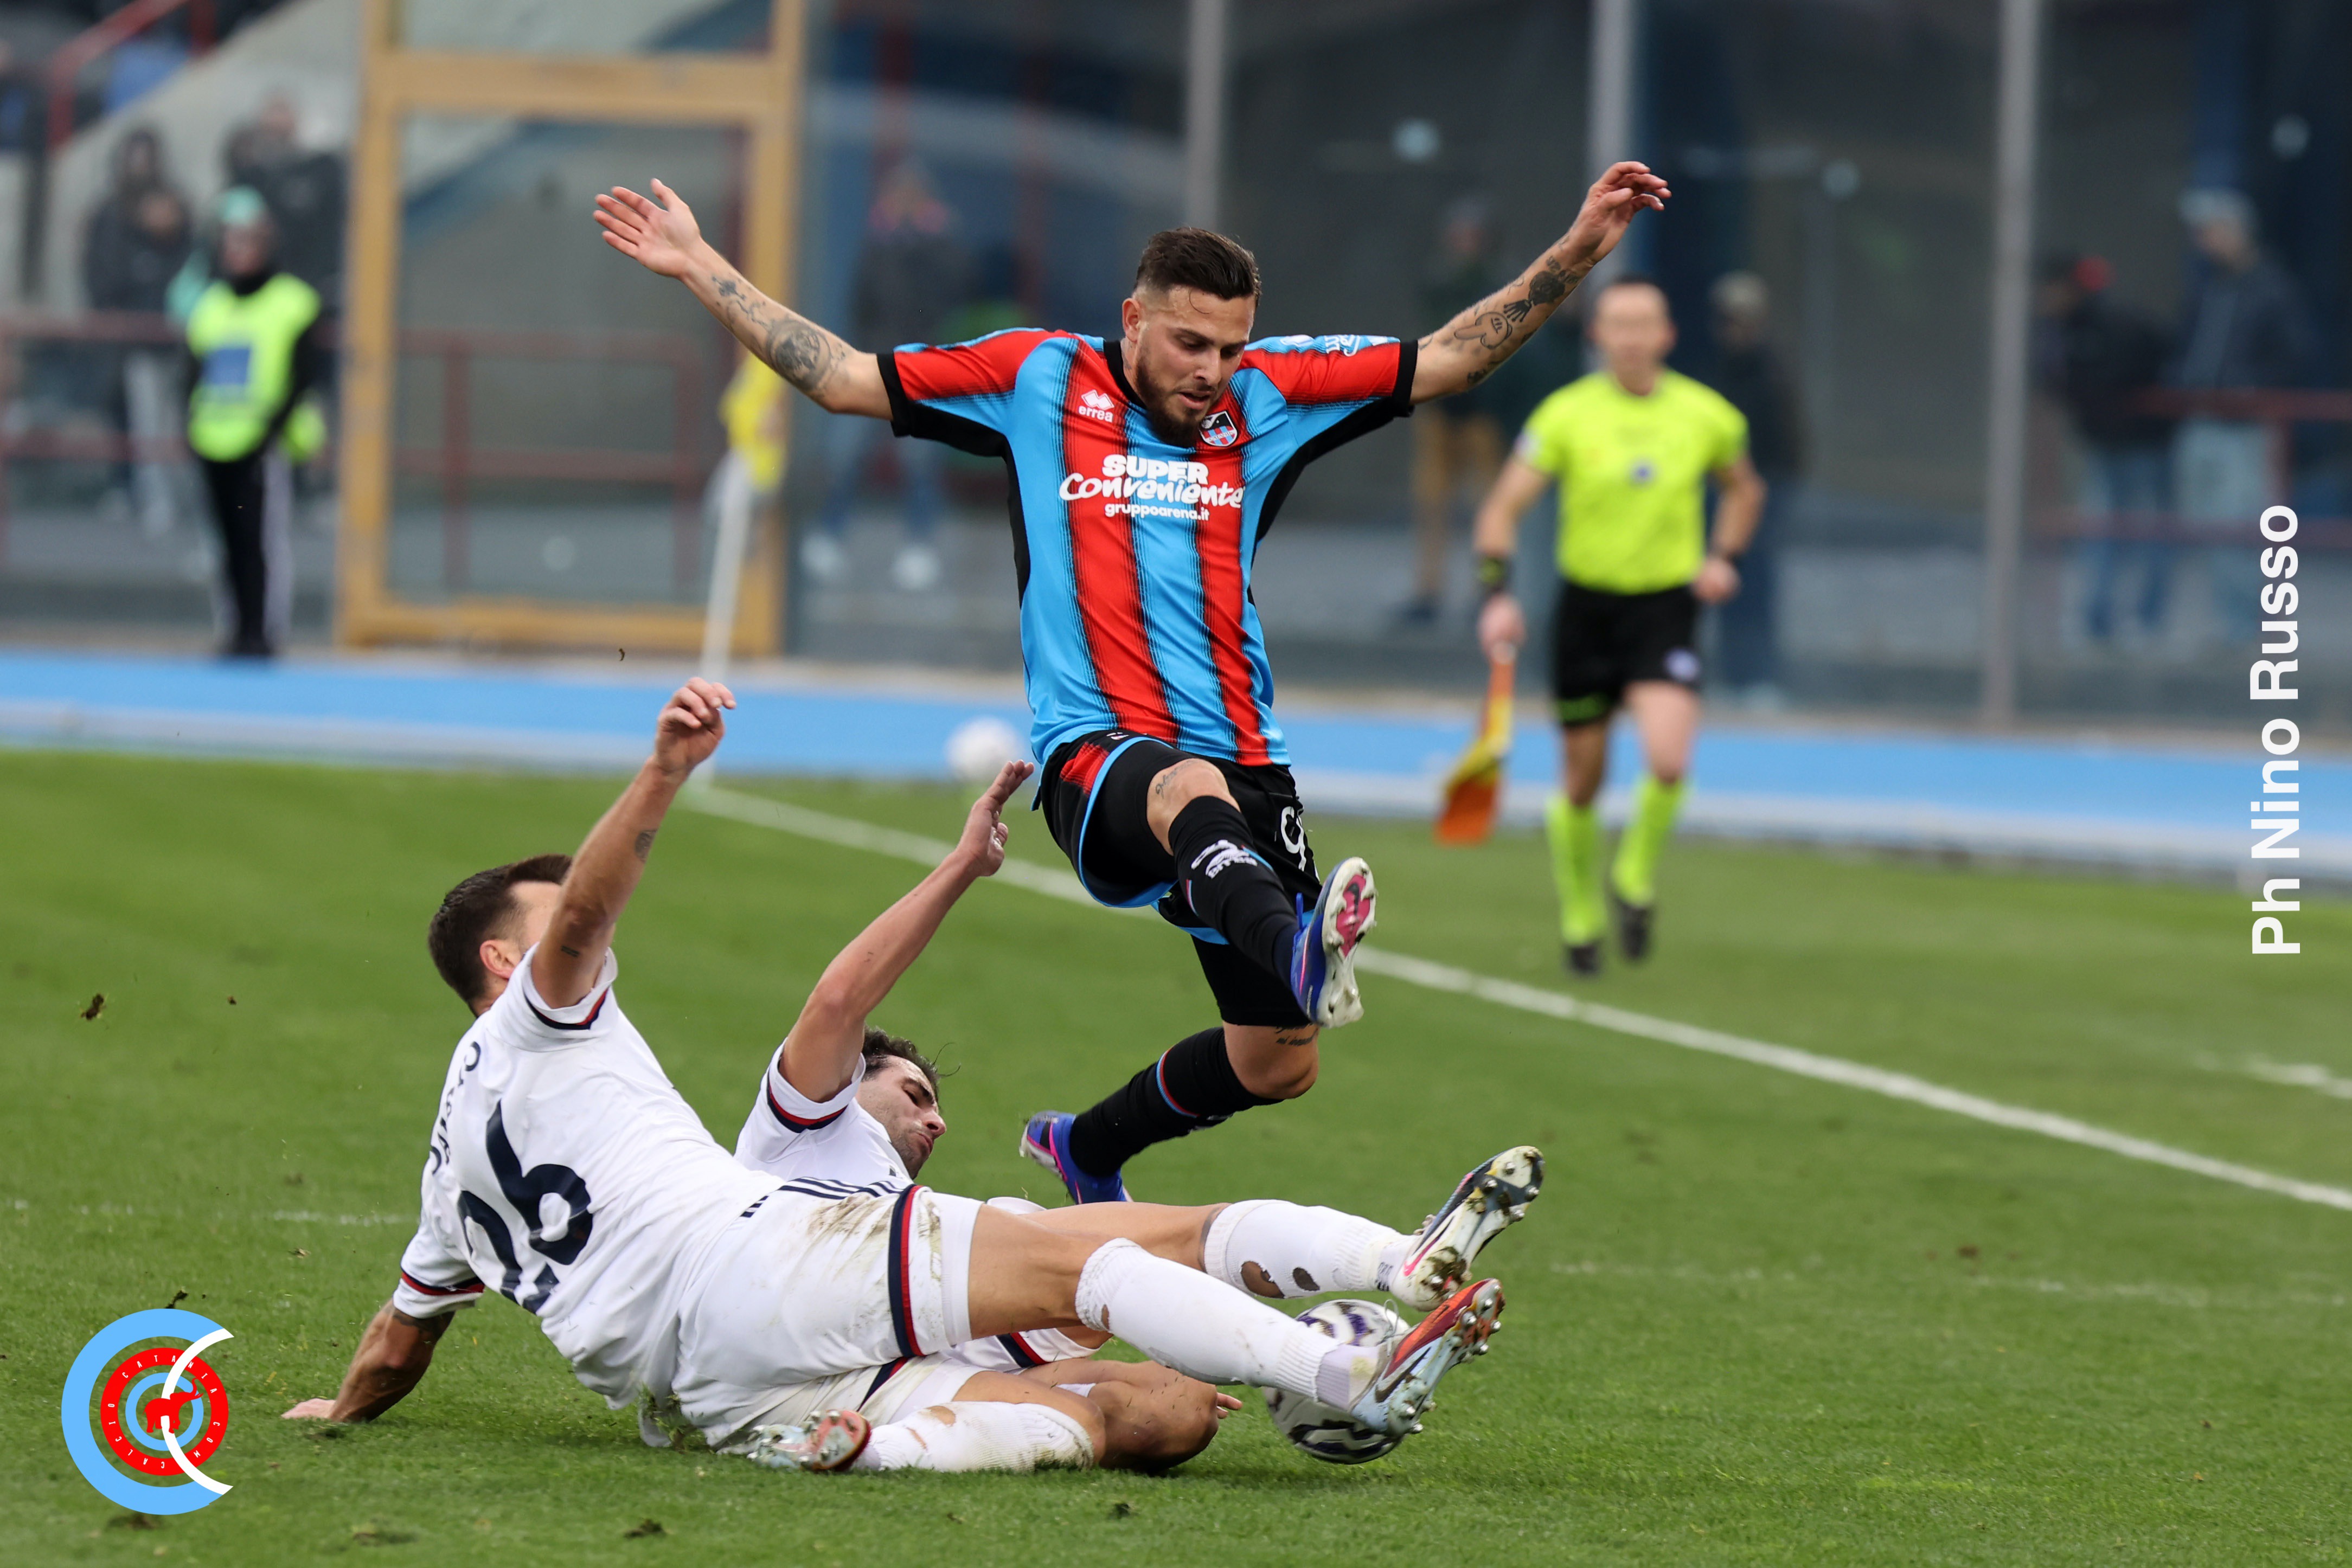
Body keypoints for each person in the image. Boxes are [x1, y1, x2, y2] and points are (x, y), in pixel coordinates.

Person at [594, 160, 1667, 1203]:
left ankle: (1086, 1144)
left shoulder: (1273, 393)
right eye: (1190, 343)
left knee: (1277, 1063)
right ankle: (1294, 948)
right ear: (1133, 320)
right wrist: (698, 264)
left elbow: (1451, 359)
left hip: (1249, 760)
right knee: (1183, 792)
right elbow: (838, 376)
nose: (1211, 370)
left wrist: (1576, 250)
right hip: (1097, 757)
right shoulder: (1037, 378)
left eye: (1229, 347)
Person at [282, 682, 1535, 1475]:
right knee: (1094, 1260)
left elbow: (398, 1343)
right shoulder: (538, 1021)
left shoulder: (449, 1169)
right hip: (753, 1267)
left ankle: (882, 1446)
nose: (587, 940)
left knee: (1152, 1408)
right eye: (556, 924)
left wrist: (339, 1411)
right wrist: (661, 773)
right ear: (507, 961)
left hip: (709, 1383)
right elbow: (616, 923)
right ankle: (1343, 1368)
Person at [1470, 277, 1764, 975]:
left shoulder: (1707, 416)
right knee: (1582, 782)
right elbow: (1501, 510)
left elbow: (1744, 490)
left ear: (1667, 335)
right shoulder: (1565, 416)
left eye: (1644, 323)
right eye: (1617, 324)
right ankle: (1580, 913)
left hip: (1664, 611)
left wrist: (1722, 557)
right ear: (1597, 336)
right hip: (1586, 615)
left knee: (1668, 759)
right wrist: (1497, 595)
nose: (1631, 338)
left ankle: (1632, 873)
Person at [803, 159, 970, 593]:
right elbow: (861, 302)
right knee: (844, 456)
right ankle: (828, 535)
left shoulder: (940, 246)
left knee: (920, 463)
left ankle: (921, 546)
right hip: (874, 364)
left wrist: (928, 239)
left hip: (921, 368)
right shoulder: (877, 244)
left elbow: (950, 292)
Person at [184, 187, 328, 659]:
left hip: (263, 443)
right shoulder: (210, 305)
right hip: (216, 438)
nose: (238, 252)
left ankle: (263, 632)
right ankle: (233, 628)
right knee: (223, 541)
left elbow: (303, 375)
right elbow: (193, 374)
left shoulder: (293, 302)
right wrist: (191, 426)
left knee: (259, 540)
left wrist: (273, 428)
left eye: (248, 242)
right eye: (232, 242)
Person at [2170, 188, 2315, 645]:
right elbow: (2188, 344)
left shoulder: (2271, 287)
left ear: (2237, 231)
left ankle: (2254, 629)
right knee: (2205, 526)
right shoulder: (2208, 286)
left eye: (2212, 230)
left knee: (2241, 527)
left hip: (2245, 428)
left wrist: (2252, 388)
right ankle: (2231, 625)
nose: (2204, 241)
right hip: (2200, 419)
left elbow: (2297, 353)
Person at [2033, 253, 2174, 646]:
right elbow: (2049, 379)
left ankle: (2146, 622)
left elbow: (2141, 369)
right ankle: (2098, 621)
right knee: (2100, 532)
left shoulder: (2117, 324)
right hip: (2105, 446)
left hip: (2145, 446)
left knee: (2147, 532)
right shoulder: (2057, 331)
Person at [1398, 196, 1509, 626]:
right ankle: (1428, 590)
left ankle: (1489, 591)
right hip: (1441, 407)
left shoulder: (1497, 282)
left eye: (1472, 236)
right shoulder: (1439, 282)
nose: (1464, 244)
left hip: (1483, 411)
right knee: (1432, 505)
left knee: (1490, 509)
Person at [81, 126, 193, 537]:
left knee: (175, 425)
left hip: (176, 341)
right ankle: (143, 494)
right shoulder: (110, 216)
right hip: (131, 338)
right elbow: (99, 272)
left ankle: (181, 499)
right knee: (138, 420)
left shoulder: (182, 237)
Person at [1702, 272, 1803, 698]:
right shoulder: (1714, 372)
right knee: (1718, 582)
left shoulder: (1773, 374)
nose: (1736, 330)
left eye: (1745, 320)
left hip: (1765, 493)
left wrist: (1774, 491)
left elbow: (1789, 442)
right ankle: (1728, 674)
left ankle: (1759, 675)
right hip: (1719, 493)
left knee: (1758, 585)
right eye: (1730, 320)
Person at [225, 94, 347, 310]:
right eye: (271, 121)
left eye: (282, 115)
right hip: (271, 287)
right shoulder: (253, 176)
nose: (277, 125)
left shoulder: (321, 170)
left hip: (317, 281)